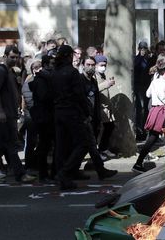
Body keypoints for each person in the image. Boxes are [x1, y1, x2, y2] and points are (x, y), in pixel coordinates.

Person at [51, 47, 117, 190]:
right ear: (69, 56)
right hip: (72, 113)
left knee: (62, 146)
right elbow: (79, 95)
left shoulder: (55, 73)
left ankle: (65, 174)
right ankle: (64, 172)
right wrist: (86, 113)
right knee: (83, 143)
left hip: (58, 112)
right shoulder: (72, 73)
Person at [0, 47, 36, 183]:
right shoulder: (1, 71)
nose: (15, 59)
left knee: (2, 144)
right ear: (5, 56)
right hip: (4, 115)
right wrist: (0, 111)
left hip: (9, 115)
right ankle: (20, 174)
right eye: (12, 57)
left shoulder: (9, 72)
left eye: (17, 57)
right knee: (9, 145)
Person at [133, 54, 165, 172]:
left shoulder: (154, 81)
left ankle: (138, 163)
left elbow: (147, 94)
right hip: (164, 111)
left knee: (152, 138)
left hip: (154, 110)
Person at [29, 54, 56, 183]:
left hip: (47, 116)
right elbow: (44, 98)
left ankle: (48, 173)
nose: (53, 66)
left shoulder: (47, 78)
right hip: (44, 117)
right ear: (45, 65)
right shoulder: (43, 80)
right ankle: (43, 174)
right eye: (51, 63)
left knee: (47, 146)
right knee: (44, 146)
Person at [94, 55, 116, 156]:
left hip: (106, 106)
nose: (104, 67)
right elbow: (94, 89)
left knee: (110, 127)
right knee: (98, 130)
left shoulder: (102, 75)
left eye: (105, 65)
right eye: (101, 65)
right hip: (99, 108)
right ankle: (97, 151)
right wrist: (106, 84)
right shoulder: (94, 75)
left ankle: (103, 148)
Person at [133, 41, 152, 140]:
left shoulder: (149, 60)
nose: (143, 50)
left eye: (145, 48)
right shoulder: (137, 59)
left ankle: (145, 129)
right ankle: (140, 131)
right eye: (141, 49)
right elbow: (136, 67)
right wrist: (140, 57)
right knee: (140, 109)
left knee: (146, 109)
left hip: (147, 86)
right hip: (139, 87)